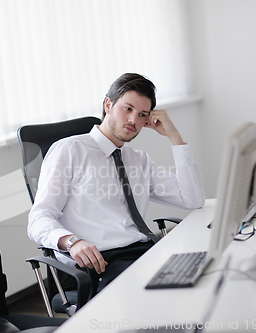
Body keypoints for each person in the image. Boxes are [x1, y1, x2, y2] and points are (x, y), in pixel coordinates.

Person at [27, 73, 205, 293]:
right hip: (100, 263)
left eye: (142, 115)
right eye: (127, 109)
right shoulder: (70, 150)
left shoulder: (138, 160)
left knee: (204, 275)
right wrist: (71, 242)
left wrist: (174, 138)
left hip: (144, 251)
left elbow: (192, 199)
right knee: (167, 296)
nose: (133, 120)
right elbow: (38, 218)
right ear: (108, 104)